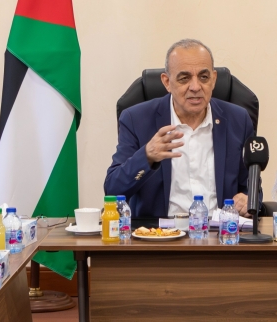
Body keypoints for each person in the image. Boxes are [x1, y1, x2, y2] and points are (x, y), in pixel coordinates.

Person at [104, 39, 253, 218]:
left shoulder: (238, 120)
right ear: (167, 82)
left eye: (204, 77)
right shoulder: (136, 120)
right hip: (160, 233)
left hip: (220, 232)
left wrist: (248, 200)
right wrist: (146, 156)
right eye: (184, 78)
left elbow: (252, 188)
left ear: (214, 79)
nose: (195, 87)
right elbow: (113, 190)